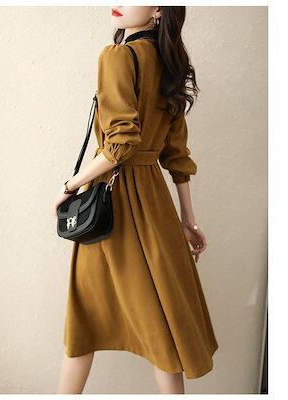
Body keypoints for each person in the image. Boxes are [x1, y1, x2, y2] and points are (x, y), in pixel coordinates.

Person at [53, 6, 219, 394]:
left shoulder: (118, 56)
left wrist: (69, 186)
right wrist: (188, 221)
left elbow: (120, 144)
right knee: (161, 326)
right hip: (155, 207)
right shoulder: (169, 64)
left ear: (159, 8)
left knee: (84, 318)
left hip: (111, 203)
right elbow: (176, 156)